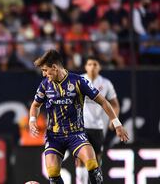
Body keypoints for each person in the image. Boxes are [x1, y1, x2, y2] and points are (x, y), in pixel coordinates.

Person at [29, 50, 129, 184]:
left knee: (92, 164)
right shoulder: (45, 85)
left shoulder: (78, 81)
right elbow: (35, 105)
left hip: (76, 134)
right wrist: (32, 120)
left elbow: (103, 101)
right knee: (52, 173)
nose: (44, 74)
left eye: (45, 70)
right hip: (54, 136)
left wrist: (117, 124)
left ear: (55, 67)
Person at [75, 56, 120, 184]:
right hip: (80, 126)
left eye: (95, 64)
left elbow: (115, 104)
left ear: (99, 67)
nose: (92, 67)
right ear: (85, 67)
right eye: (90, 64)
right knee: (80, 158)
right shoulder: (79, 80)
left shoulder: (105, 83)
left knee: (96, 159)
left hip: (98, 126)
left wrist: (114, 119)